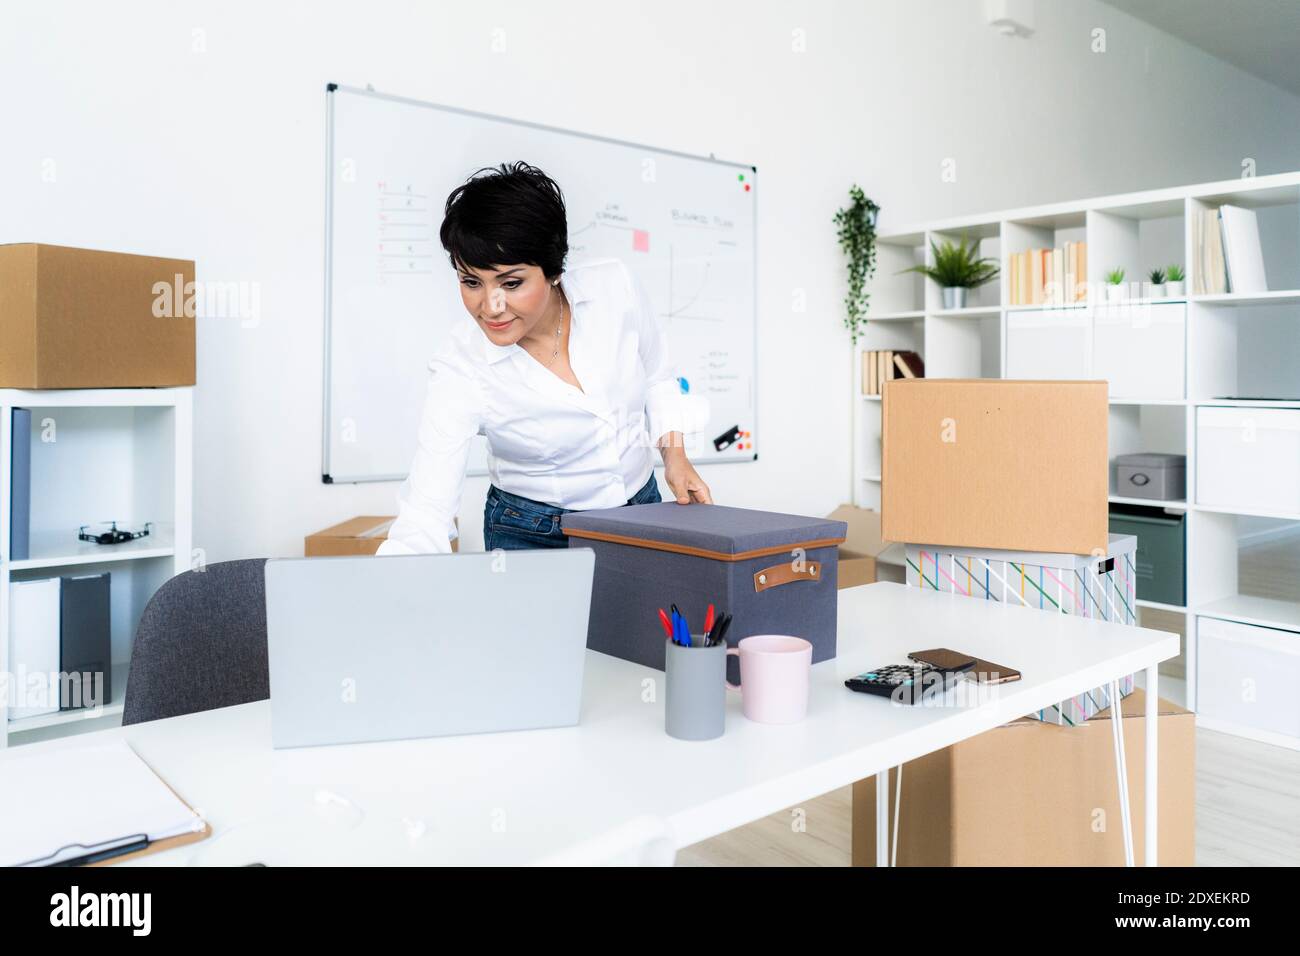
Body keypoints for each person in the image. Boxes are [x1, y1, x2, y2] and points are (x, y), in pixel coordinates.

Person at [377, 161, 712, 555]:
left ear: (553, 270)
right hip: (530, 532)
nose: (491, 306)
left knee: (646, 619)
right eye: (471, 282)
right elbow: (425, 510)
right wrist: (392, 585)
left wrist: (675, 457)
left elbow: (657, 375)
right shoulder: (461, 365)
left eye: (512, 282)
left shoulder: (614, 289)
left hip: (643, 510)